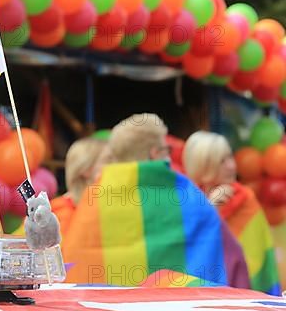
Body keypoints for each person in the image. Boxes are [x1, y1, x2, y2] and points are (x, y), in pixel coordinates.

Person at [62, 113, 250, 289]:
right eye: (166, 149)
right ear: (154, 153)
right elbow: (231, 259)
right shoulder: (182, 194)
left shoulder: (93, 199)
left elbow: (75, 265)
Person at [183, 131, 280, 294]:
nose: (232, 166)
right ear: (202, 165)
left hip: (243, 295)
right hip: (198, 294)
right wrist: (210, 209)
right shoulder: (186, 200)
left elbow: (258, 260)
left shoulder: (246, 199)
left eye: (230, 157)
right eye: (221, 161)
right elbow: (187, 251)